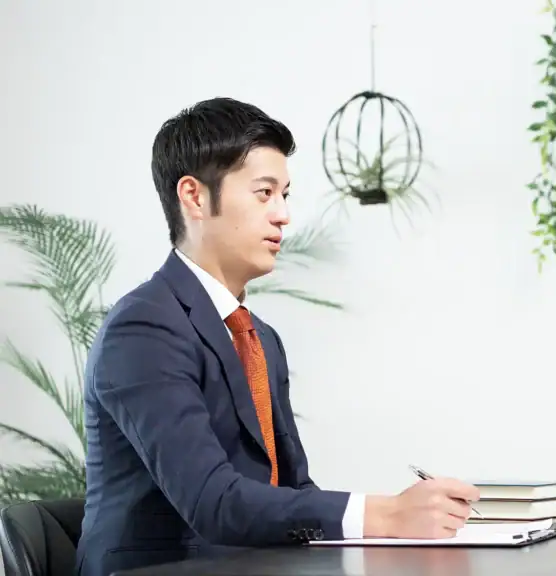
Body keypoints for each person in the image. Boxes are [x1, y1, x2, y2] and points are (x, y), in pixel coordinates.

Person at [75, 97, 480, 576]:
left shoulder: (258, 337)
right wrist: (387, 513)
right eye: (264, 193)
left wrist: (398, 526)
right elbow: (212, 501)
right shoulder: (143, 327)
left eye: (285, 194)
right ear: (195, 197)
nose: (283, 214)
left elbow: (293, 492)